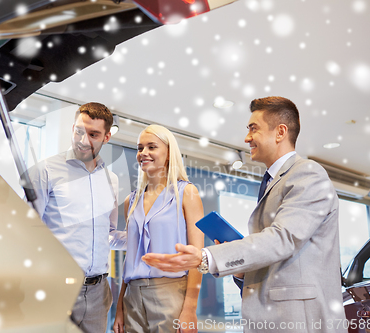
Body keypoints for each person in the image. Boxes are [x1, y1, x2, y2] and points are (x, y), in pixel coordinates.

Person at [143, 97, 347, 333]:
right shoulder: (271, 181)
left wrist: (207, 257)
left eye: (253, 128)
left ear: (280, 132)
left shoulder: (308, 173)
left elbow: (283, 239)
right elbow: (275, 254)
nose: (246, 138)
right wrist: (242, 272)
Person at [28, 102, 126, 333]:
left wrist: (142, 238)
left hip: (99, 293)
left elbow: (108, 234)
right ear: (73, 128)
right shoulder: (45, 171)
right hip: (56, 287)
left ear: (107, 137)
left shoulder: (111, 180)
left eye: (93, 134)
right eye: (79, 131)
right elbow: (28, 232)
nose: (83, 141)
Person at [113, 125, 204, 333]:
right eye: (140, 148)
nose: (143, 153)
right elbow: (131, 258)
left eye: (151, 147)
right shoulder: (131, 200)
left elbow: (197, 258)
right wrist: (120, 307)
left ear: (169, 152)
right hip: (132, 296)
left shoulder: (187, 193)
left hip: (171, 292)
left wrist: (190, 308)